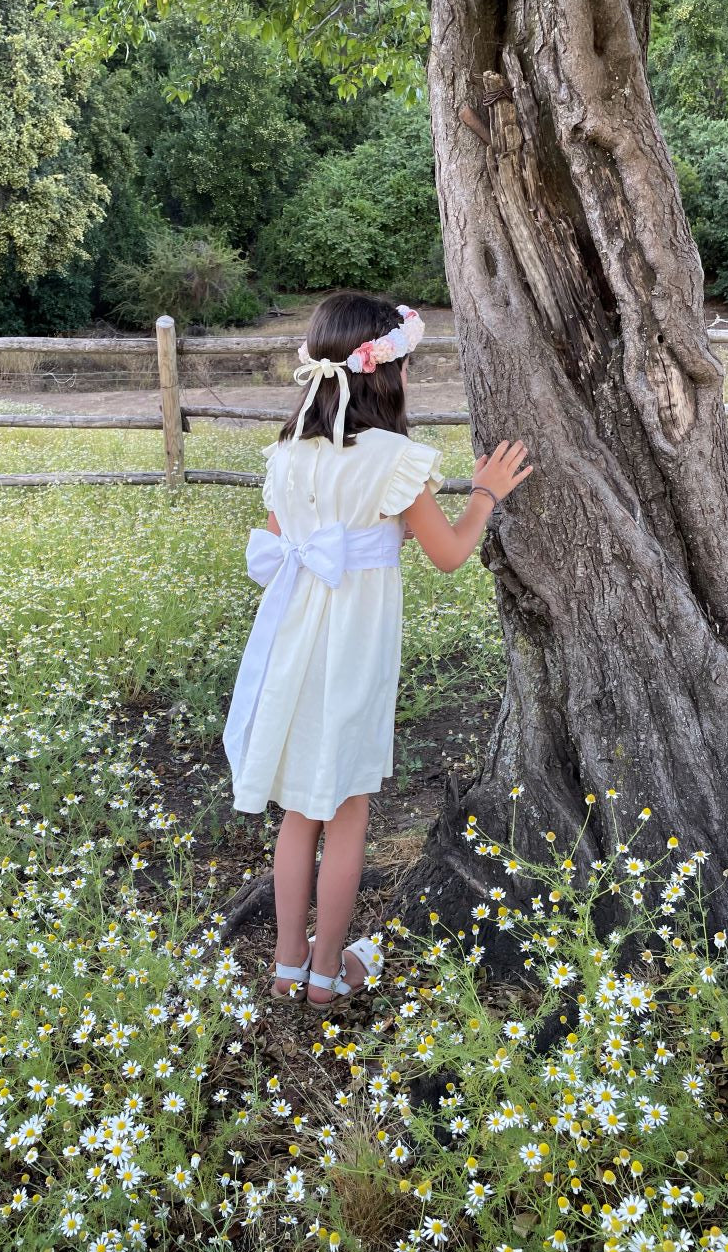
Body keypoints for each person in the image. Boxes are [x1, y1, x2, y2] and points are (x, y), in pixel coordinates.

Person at [222, 291, 533, 1008]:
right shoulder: (393, 460)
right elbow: (450, 552)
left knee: (299, 812)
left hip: (293, 648)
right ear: (383, 373)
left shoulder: (287, 456)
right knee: (349, 808)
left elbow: (281, 541)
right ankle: (330, 970)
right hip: (353, 654)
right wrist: (483, 493)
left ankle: (285, 961)